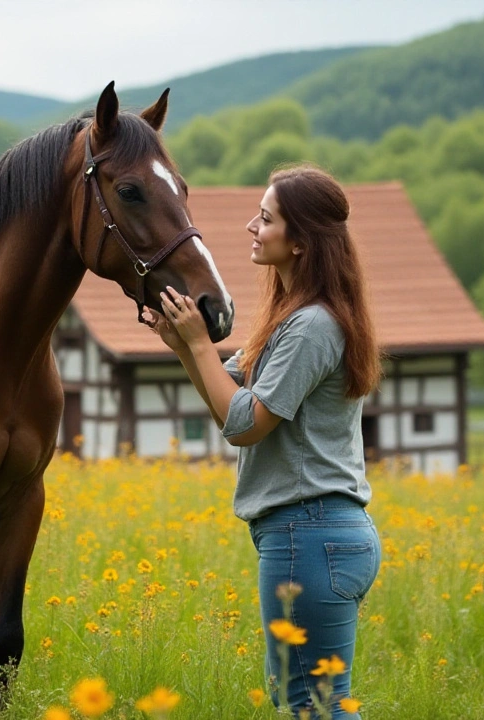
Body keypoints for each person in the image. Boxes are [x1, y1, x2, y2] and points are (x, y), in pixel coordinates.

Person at [149, 164, 382, 717]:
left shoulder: (311, 327)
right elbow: (231, 384)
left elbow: (246, 423)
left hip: (309, 532)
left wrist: (198, 347)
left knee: (307, 705)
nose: (252, 226)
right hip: (318, 533)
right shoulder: (293, 319)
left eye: (266, 218)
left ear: (299, 241)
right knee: (310, 701)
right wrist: (186, 346)